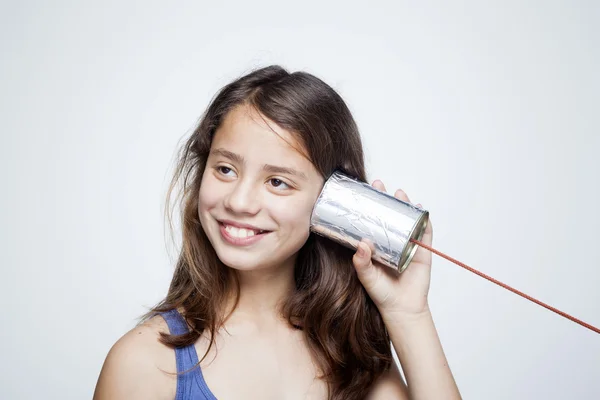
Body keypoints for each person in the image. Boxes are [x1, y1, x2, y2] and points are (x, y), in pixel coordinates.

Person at [93, 65, 461, 400]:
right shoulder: (143, 363)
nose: (239, 201)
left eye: (277, 182)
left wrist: (409, 315)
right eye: (225, 169)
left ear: (333, 201)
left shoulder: (354, 358)